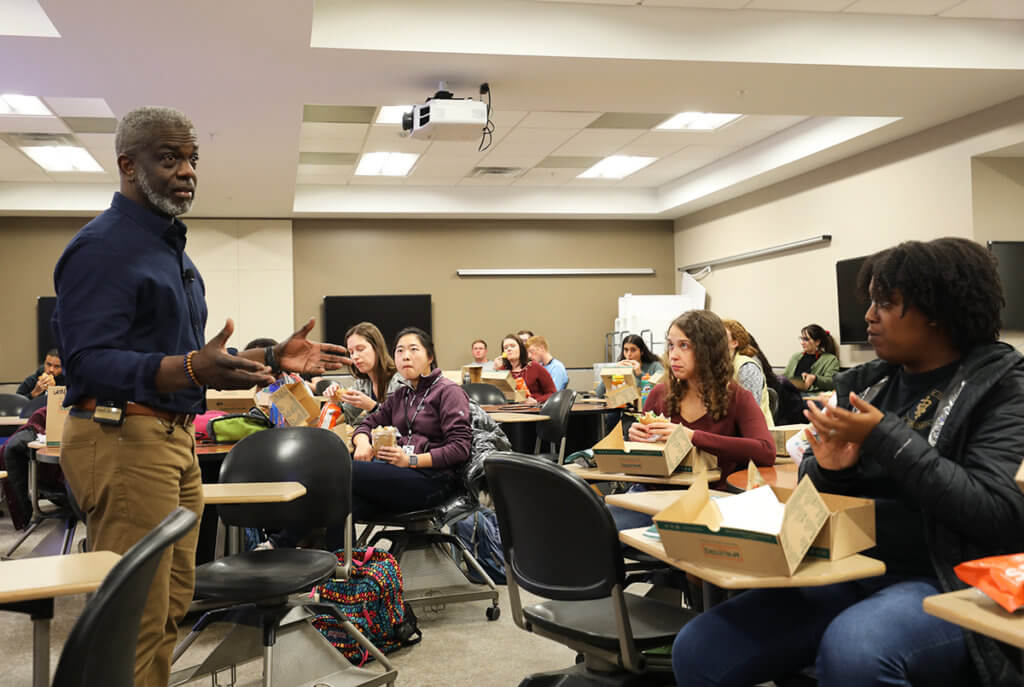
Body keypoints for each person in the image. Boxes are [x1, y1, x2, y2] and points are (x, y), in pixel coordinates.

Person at [51, 106, 348, 687]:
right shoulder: (101, 247)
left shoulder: (172, 254)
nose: (187, 171)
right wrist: (188, 366)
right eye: (170, 159)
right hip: (121, 438)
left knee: (169, 609)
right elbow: (86, 362)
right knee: (134, 621)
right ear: (128, 165)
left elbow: (188, 359)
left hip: (172, 440)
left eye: (192, 159)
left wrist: (268, 358)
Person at [672, 237, 1024, 687]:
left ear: (939, 311)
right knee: (701, 647)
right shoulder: (869, 385)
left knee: (855, 650)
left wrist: (884, 438)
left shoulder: (1002, 387)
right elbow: (818, 495)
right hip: (849, 567)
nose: (869, 316)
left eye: (885, 303)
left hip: (949, 580)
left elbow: (998, 512)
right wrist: (832, 469)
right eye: (871, 301)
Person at [607, 310, 775, 530]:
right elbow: (644, 459)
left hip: (708, 503)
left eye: (684, 345)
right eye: (671, 345)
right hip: (653, 497)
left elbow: (765, 451)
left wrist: (692, 436)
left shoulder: (737, 398)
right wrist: (636, 438)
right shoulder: (660, 394)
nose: (673, 355)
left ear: (709, 351)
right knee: (591, 528)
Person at [350, 327, 473, 521]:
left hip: (434, 480)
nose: (406, 357)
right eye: (399, 351)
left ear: (430, 357)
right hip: (402, 473)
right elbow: (368, 423)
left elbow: (459, 448)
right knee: (340, 504)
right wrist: (363, 443)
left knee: (342, 471)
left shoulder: (448, 391)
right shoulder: (401, 394)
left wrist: (412, 460)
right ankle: (333, 551)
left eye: (413, 349)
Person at [327, 322, 402, 426]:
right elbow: (346, 418)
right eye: (351, 352)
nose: (355, 357)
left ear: (377, 348)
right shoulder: (361, 384)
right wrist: (335, 401)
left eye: (360, 349)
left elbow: (403, 423)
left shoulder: (401, 381)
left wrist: (372, 407)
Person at [722, 319, 775, 428]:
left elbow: (749, 412)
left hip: (754, 432)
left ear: (735, 343)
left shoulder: (747, 367)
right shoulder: (719, 366)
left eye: (722, 337)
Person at [493, 333, 557, 403]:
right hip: (508, 410)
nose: (509, 349)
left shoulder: (534, 367)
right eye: (506, 348)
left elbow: (552, 393)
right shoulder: (502, 370)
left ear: (521, 348)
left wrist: (536, 401)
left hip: (533, 409)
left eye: (512, 346)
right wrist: (495, 371)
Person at [595, 334, 664, 397]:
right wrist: (610, 374)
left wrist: (640, 374)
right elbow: (599, 394)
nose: (629, 354)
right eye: (626, 350)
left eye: (633, 350)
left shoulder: (655, 366)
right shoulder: (621, 367)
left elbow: (658, 391)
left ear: (642, 351)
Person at [784, 323, 839, 392]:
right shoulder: (796, 356)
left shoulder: (830, 359)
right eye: (802, 339)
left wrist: (815, 379)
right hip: (792, 394)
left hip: (811, 396)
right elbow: (785, 376)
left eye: (806, 339)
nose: (802, 343)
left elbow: (832, 382)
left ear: (817, 342)